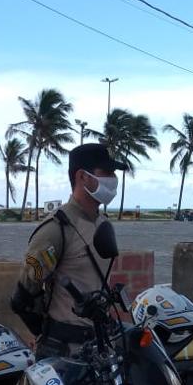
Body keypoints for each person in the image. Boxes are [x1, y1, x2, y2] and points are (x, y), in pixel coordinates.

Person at [11, 143, 126, 360]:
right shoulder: (56, 229)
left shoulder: (101, 222)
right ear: (82, 176)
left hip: (100, 344)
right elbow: (25, 293)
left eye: (114, 173)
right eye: (107, 172)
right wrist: (45, 331)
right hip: (65, 353)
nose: (113, 179)